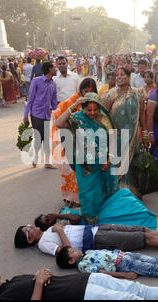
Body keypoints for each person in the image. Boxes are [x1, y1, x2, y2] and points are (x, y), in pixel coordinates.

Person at [55, 93, 118, 224]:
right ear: (82, 108)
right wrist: (74, 105)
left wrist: (109, 159)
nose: (92, 113)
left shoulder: (105, 119)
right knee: (88, 195)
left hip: (104, 163)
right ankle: (91, 224)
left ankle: (108, 220)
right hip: (85, 166)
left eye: (96, 109)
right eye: (89, 110)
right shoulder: (77, 118)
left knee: (108, 192)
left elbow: (113, 139)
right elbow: (59, 122)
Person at [0, 269, 158, 300]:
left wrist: (43, 275)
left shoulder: (14, 280)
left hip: (85, 280)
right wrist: (40, 282)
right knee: (134, 300)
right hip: (82, 296)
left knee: (138, 290)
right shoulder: (3, 299)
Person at [14, 220, 158, 256]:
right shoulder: (43, 244)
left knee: (141, 229)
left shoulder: (48, 231)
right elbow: (66, 252)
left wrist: (62, 225)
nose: (30, 227)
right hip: (96, 240)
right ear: (29, 240)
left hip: (94, 229)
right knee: (143, 238)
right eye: (27, 231)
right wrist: (60, 230)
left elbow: (63, 229)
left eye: (28, 226)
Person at [51, 78, 98, 207]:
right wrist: (75, 105)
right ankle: (72, 198)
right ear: (80, 90)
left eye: (91, 90)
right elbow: (58, 121)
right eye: (85, 90)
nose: (88, 93)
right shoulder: (72, 103)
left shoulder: (97, 104)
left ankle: (88, 201)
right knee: (72, 171)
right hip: (72, 143)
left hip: (92, 147)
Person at [35, 187, 158, 232]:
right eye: (47, 220)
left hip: (93, 210)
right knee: (127, 212)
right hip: (93, 220)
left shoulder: (61, 213)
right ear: (49, 226)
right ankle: (155, 224)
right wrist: (57, 216)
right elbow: (77, 218)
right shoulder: (61, 225)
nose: (49, 217)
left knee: (123, 195)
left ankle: (153, 219)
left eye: (46, 215)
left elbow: (77, 208)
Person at [103, 67, 148, 197]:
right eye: (117, 76)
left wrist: (145, 133)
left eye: (123, 75)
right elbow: (104, 116)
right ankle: (118, 193)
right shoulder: (110, 94)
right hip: (116, 136)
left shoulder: (137, 93)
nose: (119, 78)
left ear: (129, 77)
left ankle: (132, 193)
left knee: (132, 163)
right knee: (117, 164)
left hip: (133, 136)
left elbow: (142, 116)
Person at [57, 246, 158, 280]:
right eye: (72, 252)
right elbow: (102, 272)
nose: (75, 249)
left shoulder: (86, 253)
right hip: (123, 265)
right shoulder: (83, 266)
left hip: (124, 255)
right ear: (71, 261)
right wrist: (125, 275)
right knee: (157, 269)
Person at [23, 61, 58, 168]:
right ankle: (35, 158)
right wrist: (25, 115)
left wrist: (57, 114)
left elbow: (54, 101)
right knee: (38, 138)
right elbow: (31, 98)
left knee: (47, 139)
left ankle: (47, 162)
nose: (56, 69)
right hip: (36, 114)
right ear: (49, 69)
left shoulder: (53, 84)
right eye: (54, 67)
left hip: (47, 115)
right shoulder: (36, 81)